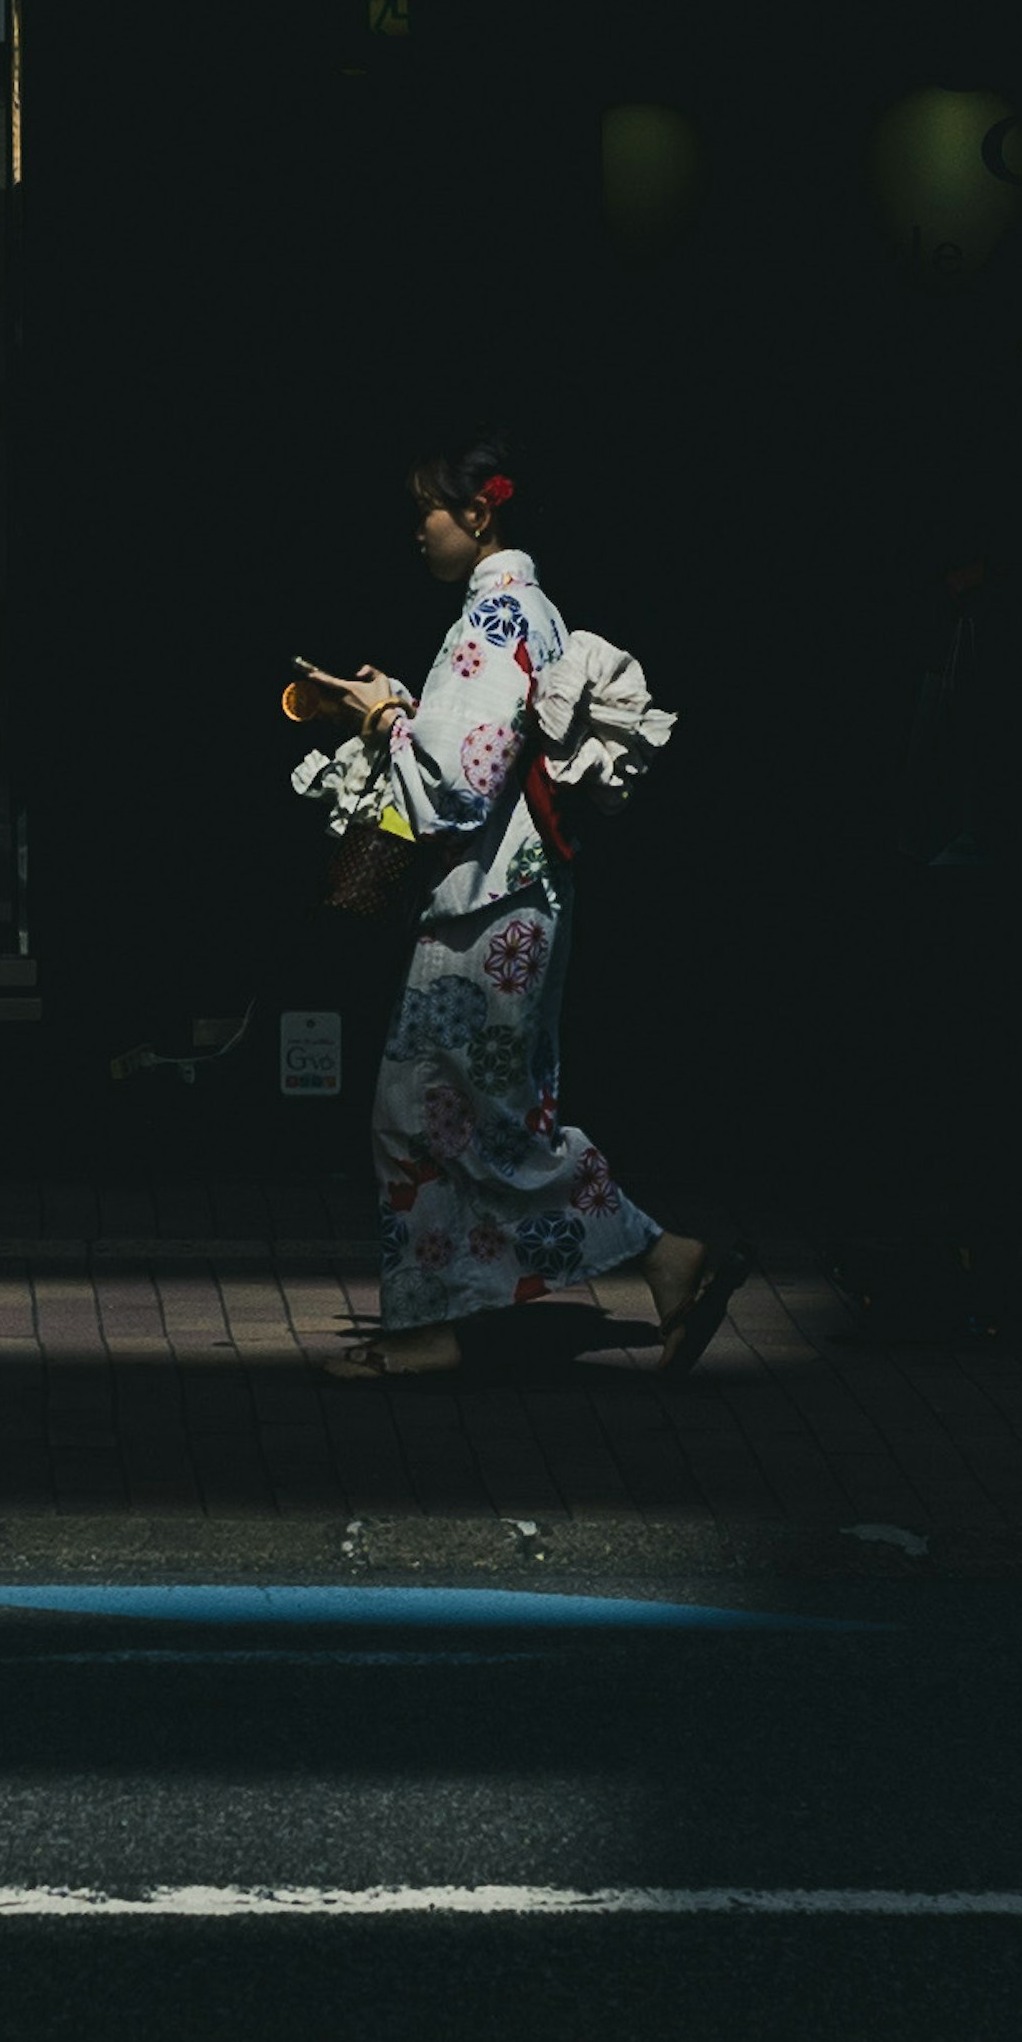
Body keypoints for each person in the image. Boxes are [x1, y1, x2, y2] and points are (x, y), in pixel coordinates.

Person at [305, 437, 747, 1380]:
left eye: (427, 509)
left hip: (486, 903)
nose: (416, 530)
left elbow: (459, 782)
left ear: (477, 515)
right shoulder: (528, 612)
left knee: (428, 1113)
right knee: (476, 1112)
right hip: (520, 897)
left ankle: (470, 1314)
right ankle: (634, 1269)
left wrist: (381, 717)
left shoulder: (494, 614)